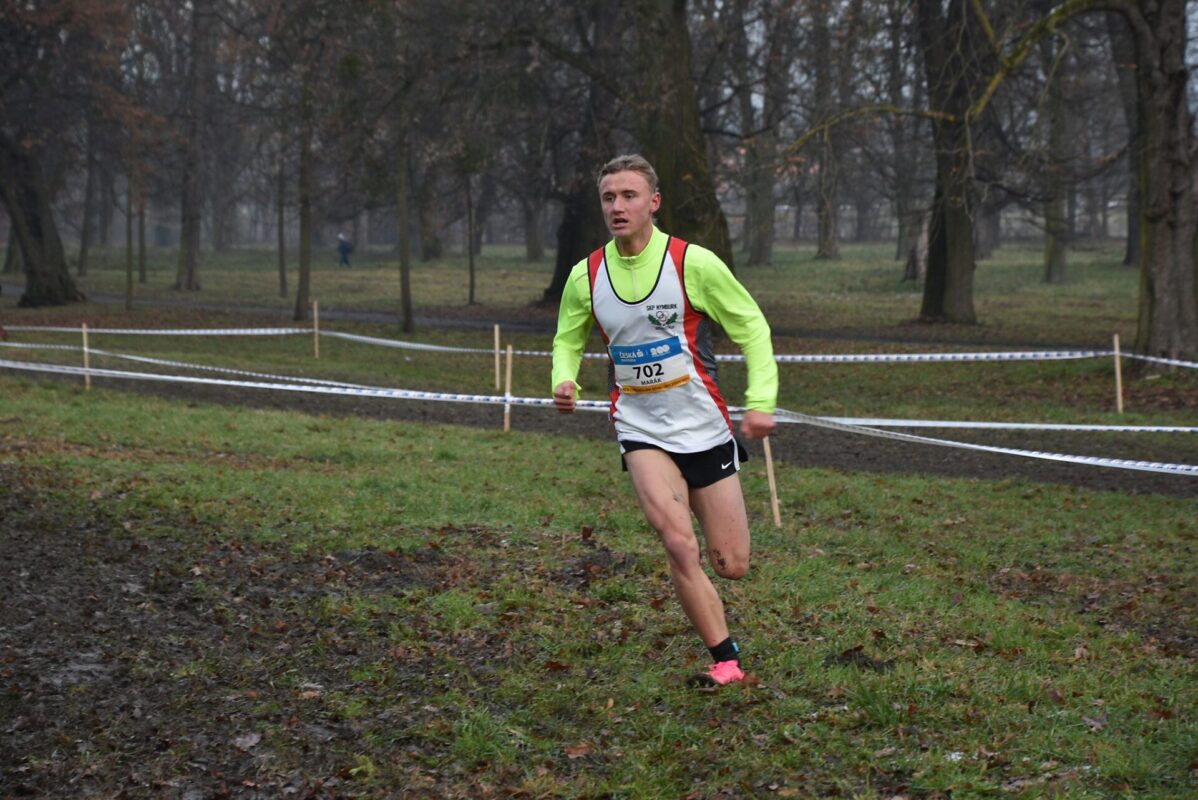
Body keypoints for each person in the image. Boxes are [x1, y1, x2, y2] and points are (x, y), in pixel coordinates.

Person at [551, 154, 777, 687]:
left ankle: (725, 636)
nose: (617, 206)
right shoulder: (586, 275)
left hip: (704, 427)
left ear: (653, 202)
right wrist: (564, 378)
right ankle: (726, 660)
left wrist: (761, 400)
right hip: (641, 428)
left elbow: (752, 327)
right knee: (678, 542)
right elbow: (567, 337)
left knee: (732, 563)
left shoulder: (693, 264)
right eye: (609, 197)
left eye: (629, 196)